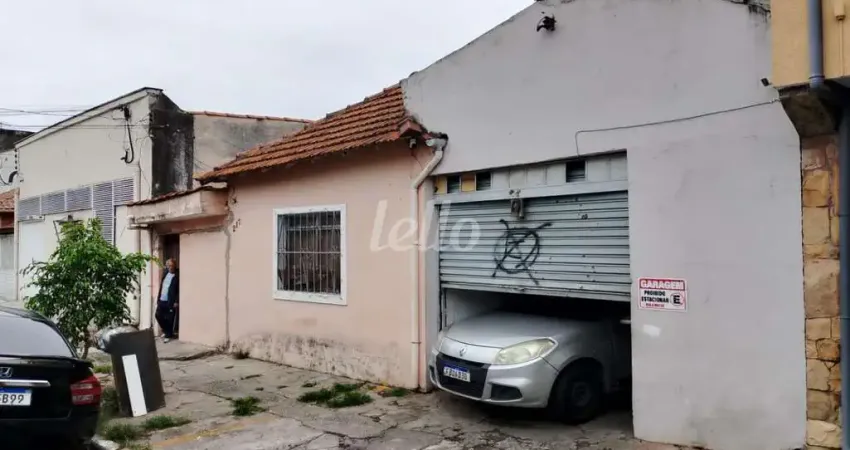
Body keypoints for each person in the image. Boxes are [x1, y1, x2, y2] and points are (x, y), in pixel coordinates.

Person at [155, 258, 179, 343]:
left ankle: (168, 335)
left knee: (170, 318)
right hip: (162, 299)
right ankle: (166, 331)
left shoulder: (177, 275)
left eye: (171, 266)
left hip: (170, 300)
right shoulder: (165, 273)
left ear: (174, 266)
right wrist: (158, 298)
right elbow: (162, 286)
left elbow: (178, 289)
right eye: (168, 265)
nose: (170, 267)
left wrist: (176, 301)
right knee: (158, 315)